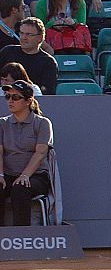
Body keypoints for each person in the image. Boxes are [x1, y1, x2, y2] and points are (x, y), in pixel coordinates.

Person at [0, 79, 53, 226]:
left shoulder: (42, 123)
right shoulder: (2, 123)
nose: (10, 101)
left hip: (36, 176)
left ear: (28, 101)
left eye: (15, 97)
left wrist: (25, 175)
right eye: (7, 96)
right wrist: (0, 175)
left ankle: (21, 236)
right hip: (9, 174)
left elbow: (41, 152)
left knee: (21, 188)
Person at [0, 16, 58, 94]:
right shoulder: (7, 52)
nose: (23, 37)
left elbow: (47, 93)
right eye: (21, 33)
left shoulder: (48, 62)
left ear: (40, 38)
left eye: (28, 34)